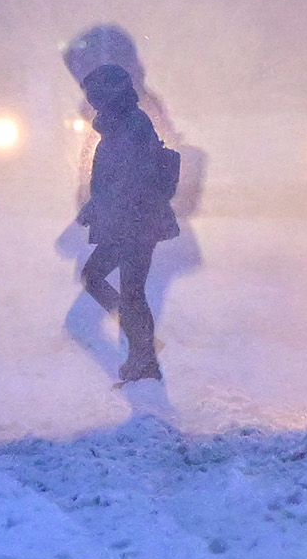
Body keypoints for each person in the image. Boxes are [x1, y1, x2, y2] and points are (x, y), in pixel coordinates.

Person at [58, 25, 204, 360]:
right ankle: (149, 400)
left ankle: (151, 406)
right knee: (95, 325)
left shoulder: (133, 111)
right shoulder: (114, 112)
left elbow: (134, 181)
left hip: (151, 239)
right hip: (139, 236)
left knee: (110, 330)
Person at [74, 63, 179, 385]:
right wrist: (97, 205)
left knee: (127, 290)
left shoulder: (130, 124)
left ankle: (144, 356)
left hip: (136, 221)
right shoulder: (119, 122)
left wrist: (98, 204)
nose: (91, 101)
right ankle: (143, 348)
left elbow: (130, 177)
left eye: (94, 95)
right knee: (110, 284)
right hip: (127, 220)